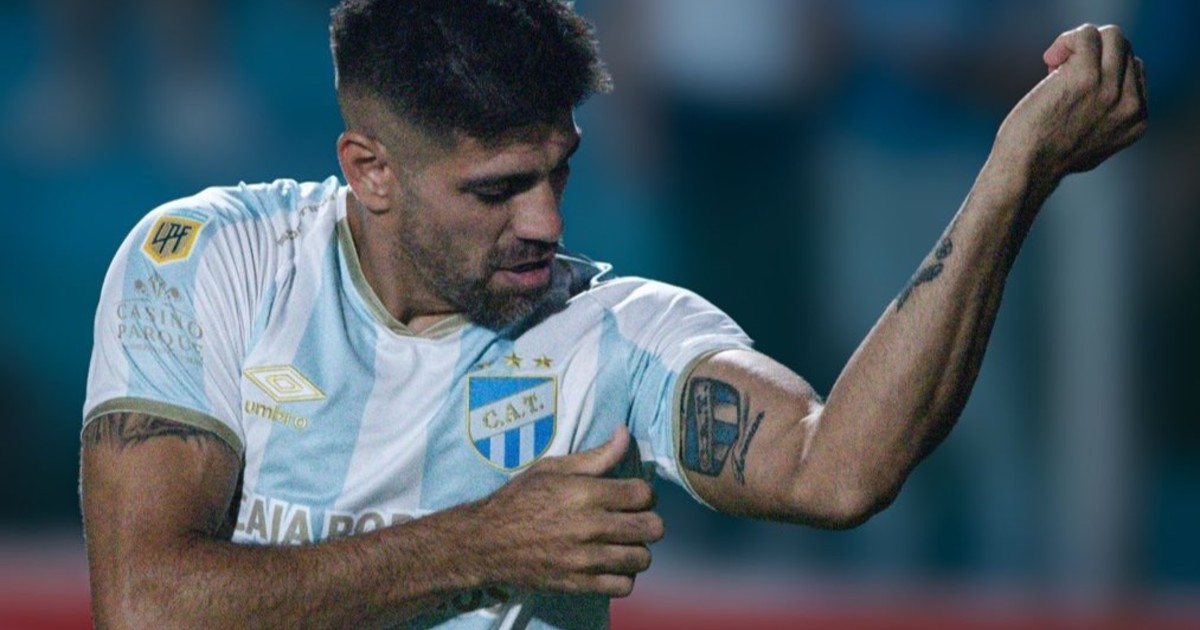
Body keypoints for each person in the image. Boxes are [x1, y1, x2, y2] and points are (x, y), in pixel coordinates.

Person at [78, 1, 1148, 628]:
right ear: (371, 170)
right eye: (498, 190)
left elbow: (837, 471)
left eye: (560, 170)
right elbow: (146, 605)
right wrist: (486, 544)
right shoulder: (212, 264)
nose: (546, 221)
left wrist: (1013, 177)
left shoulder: (616, 333)